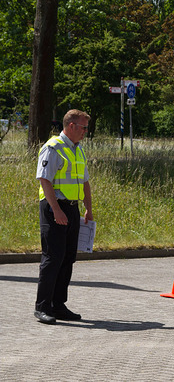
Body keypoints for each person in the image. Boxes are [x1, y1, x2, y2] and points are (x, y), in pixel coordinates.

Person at [35, 109, 94, 324]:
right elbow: (44, 180)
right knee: (53, 257)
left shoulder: (78, 150)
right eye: (83, 127)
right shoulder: (53, 148)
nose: (86, 132)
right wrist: (56, 210)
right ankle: (42, 307)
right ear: (71, 126)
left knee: (68, 257)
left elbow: (85, 182)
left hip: (72, 208)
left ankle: (58, 305)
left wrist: (88, 208)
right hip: (53, 208)